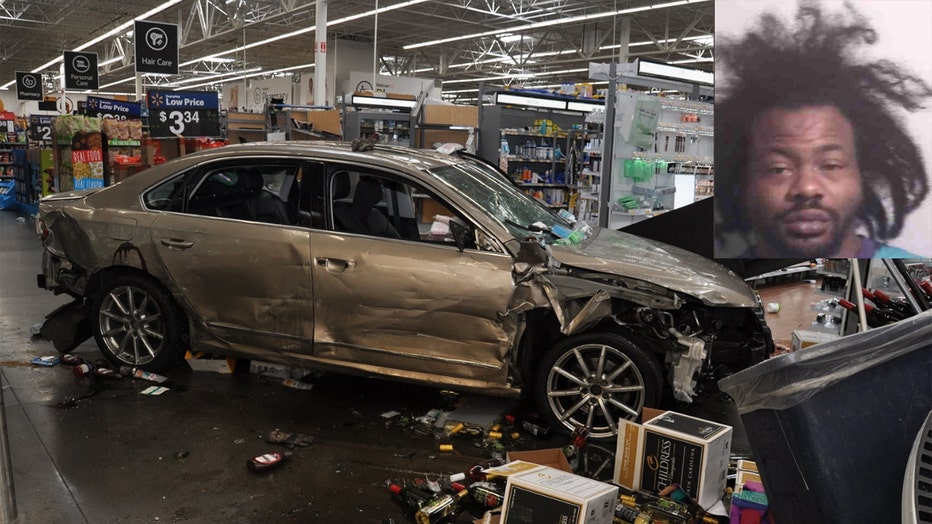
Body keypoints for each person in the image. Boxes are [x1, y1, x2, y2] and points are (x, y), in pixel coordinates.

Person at [714, 1, 932, 258]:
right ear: (743, 183)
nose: (807, 188)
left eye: (830, 164)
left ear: (863, 177)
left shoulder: (918, 280)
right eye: (778, 168)